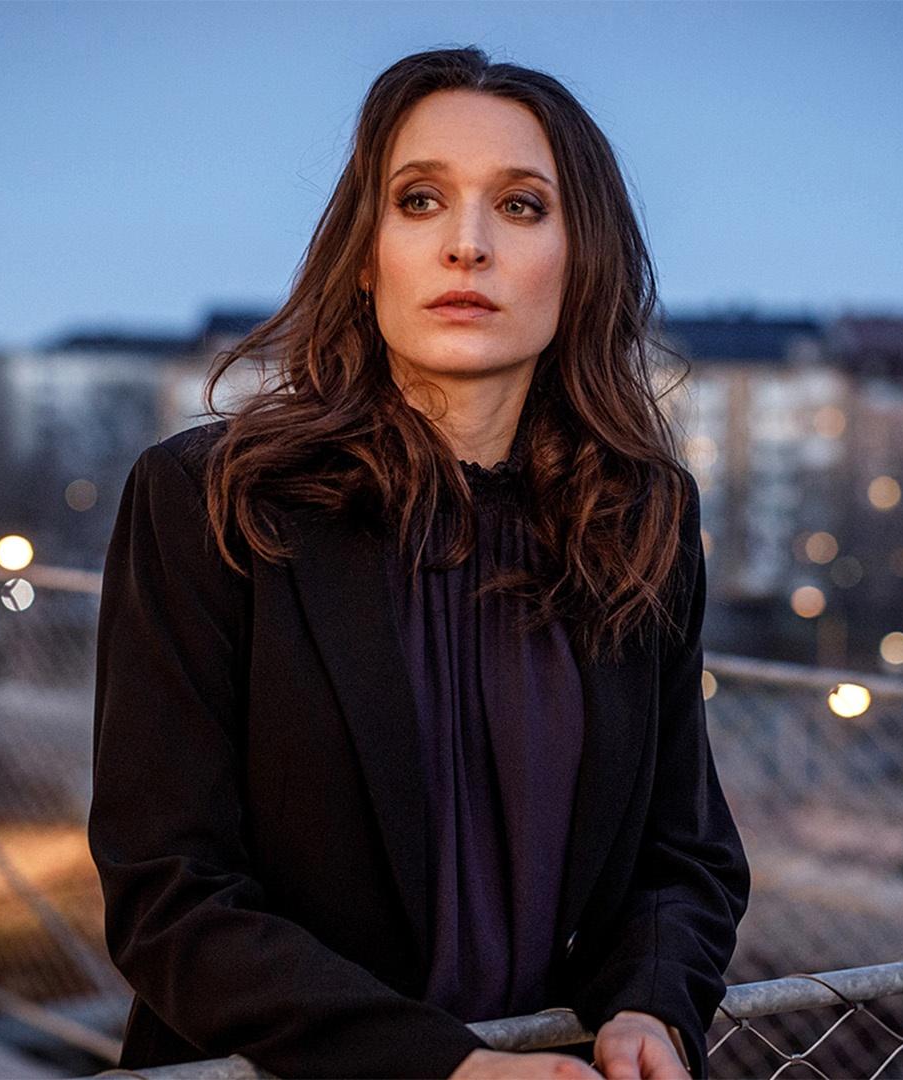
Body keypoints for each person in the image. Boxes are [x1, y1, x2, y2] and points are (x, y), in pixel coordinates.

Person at [89, 46, 750, 1080]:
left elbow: (686, 854)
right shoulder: (212, 501)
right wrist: (443, 1069)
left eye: (521, 207)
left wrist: (650, 1007)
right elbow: (168, 895)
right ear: (366, 254)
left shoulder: (641, 518)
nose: (467, 245)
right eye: (420, 200)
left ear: (582, 259)